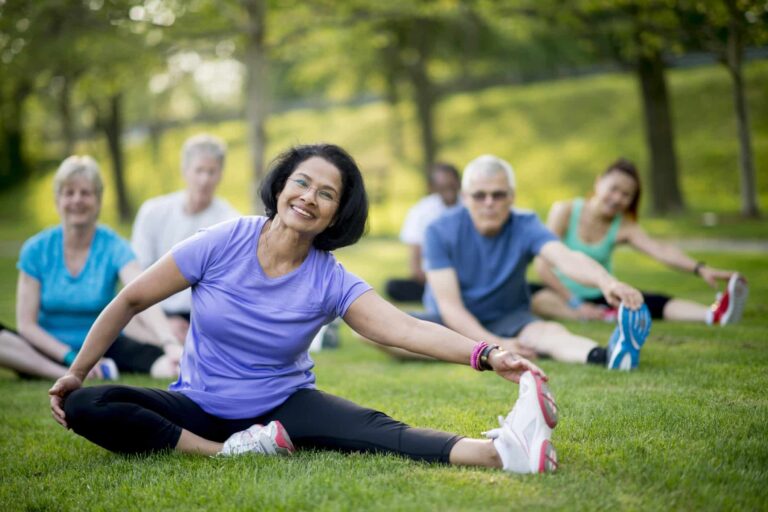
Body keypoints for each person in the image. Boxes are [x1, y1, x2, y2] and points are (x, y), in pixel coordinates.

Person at [49, 144, 559, 474]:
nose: (309, 197)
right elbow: (132, 298)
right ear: (280, 186)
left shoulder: (329, 277)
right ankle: (225, 453)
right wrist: (75, 371)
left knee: (381, 433)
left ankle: (501, 452)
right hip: (199, 406)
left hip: (284, 406)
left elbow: (403, 329)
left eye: (326, 193)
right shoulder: (224, 240)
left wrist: (490, 354)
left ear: (338, 213)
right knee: (86, 405)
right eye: (301, 182)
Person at [407, 154, 647, 368]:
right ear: (465, 197)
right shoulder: (438, 231)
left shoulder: (525, 224)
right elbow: (450, 307)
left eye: (498, 194)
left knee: (548, 333)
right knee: (384, 335)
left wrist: (607, 283)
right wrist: (496, 344)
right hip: (449, 324)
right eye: (479, 195)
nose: (489, 202)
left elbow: (565, 258)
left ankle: (605, 356)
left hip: (509, 317)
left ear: (511, 196)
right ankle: (471, 352)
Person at [0, 156, 181, 380]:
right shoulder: (36, 249)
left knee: (169, 365)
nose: (77, 200)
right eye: (69, 193)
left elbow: (142, 291)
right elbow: (26, 325)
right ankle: (65, 372)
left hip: (104, 345)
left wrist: (169, 342)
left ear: (98, 200)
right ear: (58, 200)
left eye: (85, 193)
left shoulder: (115, 247)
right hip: (47, 349)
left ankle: (81, 370)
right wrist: (70, 357)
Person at [531, 158, 748, 325]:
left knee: (649, 300)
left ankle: (713, 314)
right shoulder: (565, 211)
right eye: (614, 189)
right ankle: (588, 315)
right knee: (536, 298)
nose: (617, 198)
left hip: (602, 293)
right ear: (599, 182)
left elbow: (660, 250)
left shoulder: (624, 226)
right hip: (558, 292)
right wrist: (575, 303)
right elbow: (543, 266)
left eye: (626, 195)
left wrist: (700, 268)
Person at [131, 134, 239, 342]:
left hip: (200, 315)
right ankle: (169, 346)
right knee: (122, 319)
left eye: (211, 172)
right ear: (185, 171)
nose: (205, 179)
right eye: (199, 170)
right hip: (153, 310)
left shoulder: (230, 221)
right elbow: (138, 273)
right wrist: (163, 322)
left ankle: (171, 351)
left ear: (220, 175)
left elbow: (225, 287)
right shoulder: (153, 211)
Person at [385, 163, 462, 302]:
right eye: (442, 185)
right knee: (393, 286)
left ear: (459, 184)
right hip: (434, 276)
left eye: (451, 184)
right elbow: (415, 267)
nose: (448, 189)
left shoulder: (472, 206)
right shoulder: (421, 212)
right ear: (432, 187)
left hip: (466, 276)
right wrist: (442, 281)